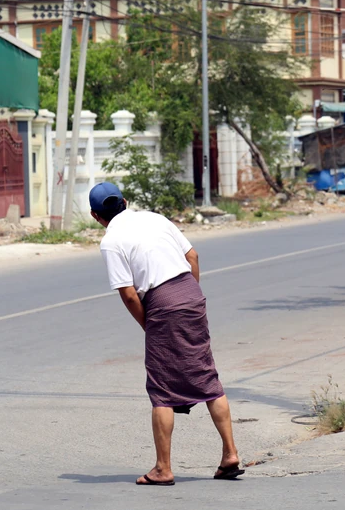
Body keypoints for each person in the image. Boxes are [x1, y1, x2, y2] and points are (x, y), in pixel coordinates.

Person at [89, 182, 244, 486]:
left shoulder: (111, 241)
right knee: (206, 375)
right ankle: (230, 454)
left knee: (161, 387)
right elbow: (193, 257)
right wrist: (190, 297)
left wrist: (150, 324)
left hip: (163, 304)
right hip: (190, 293)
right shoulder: (155, 218)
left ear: (96, 216)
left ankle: (163, 469)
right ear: (125, 201)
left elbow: (129, 295)